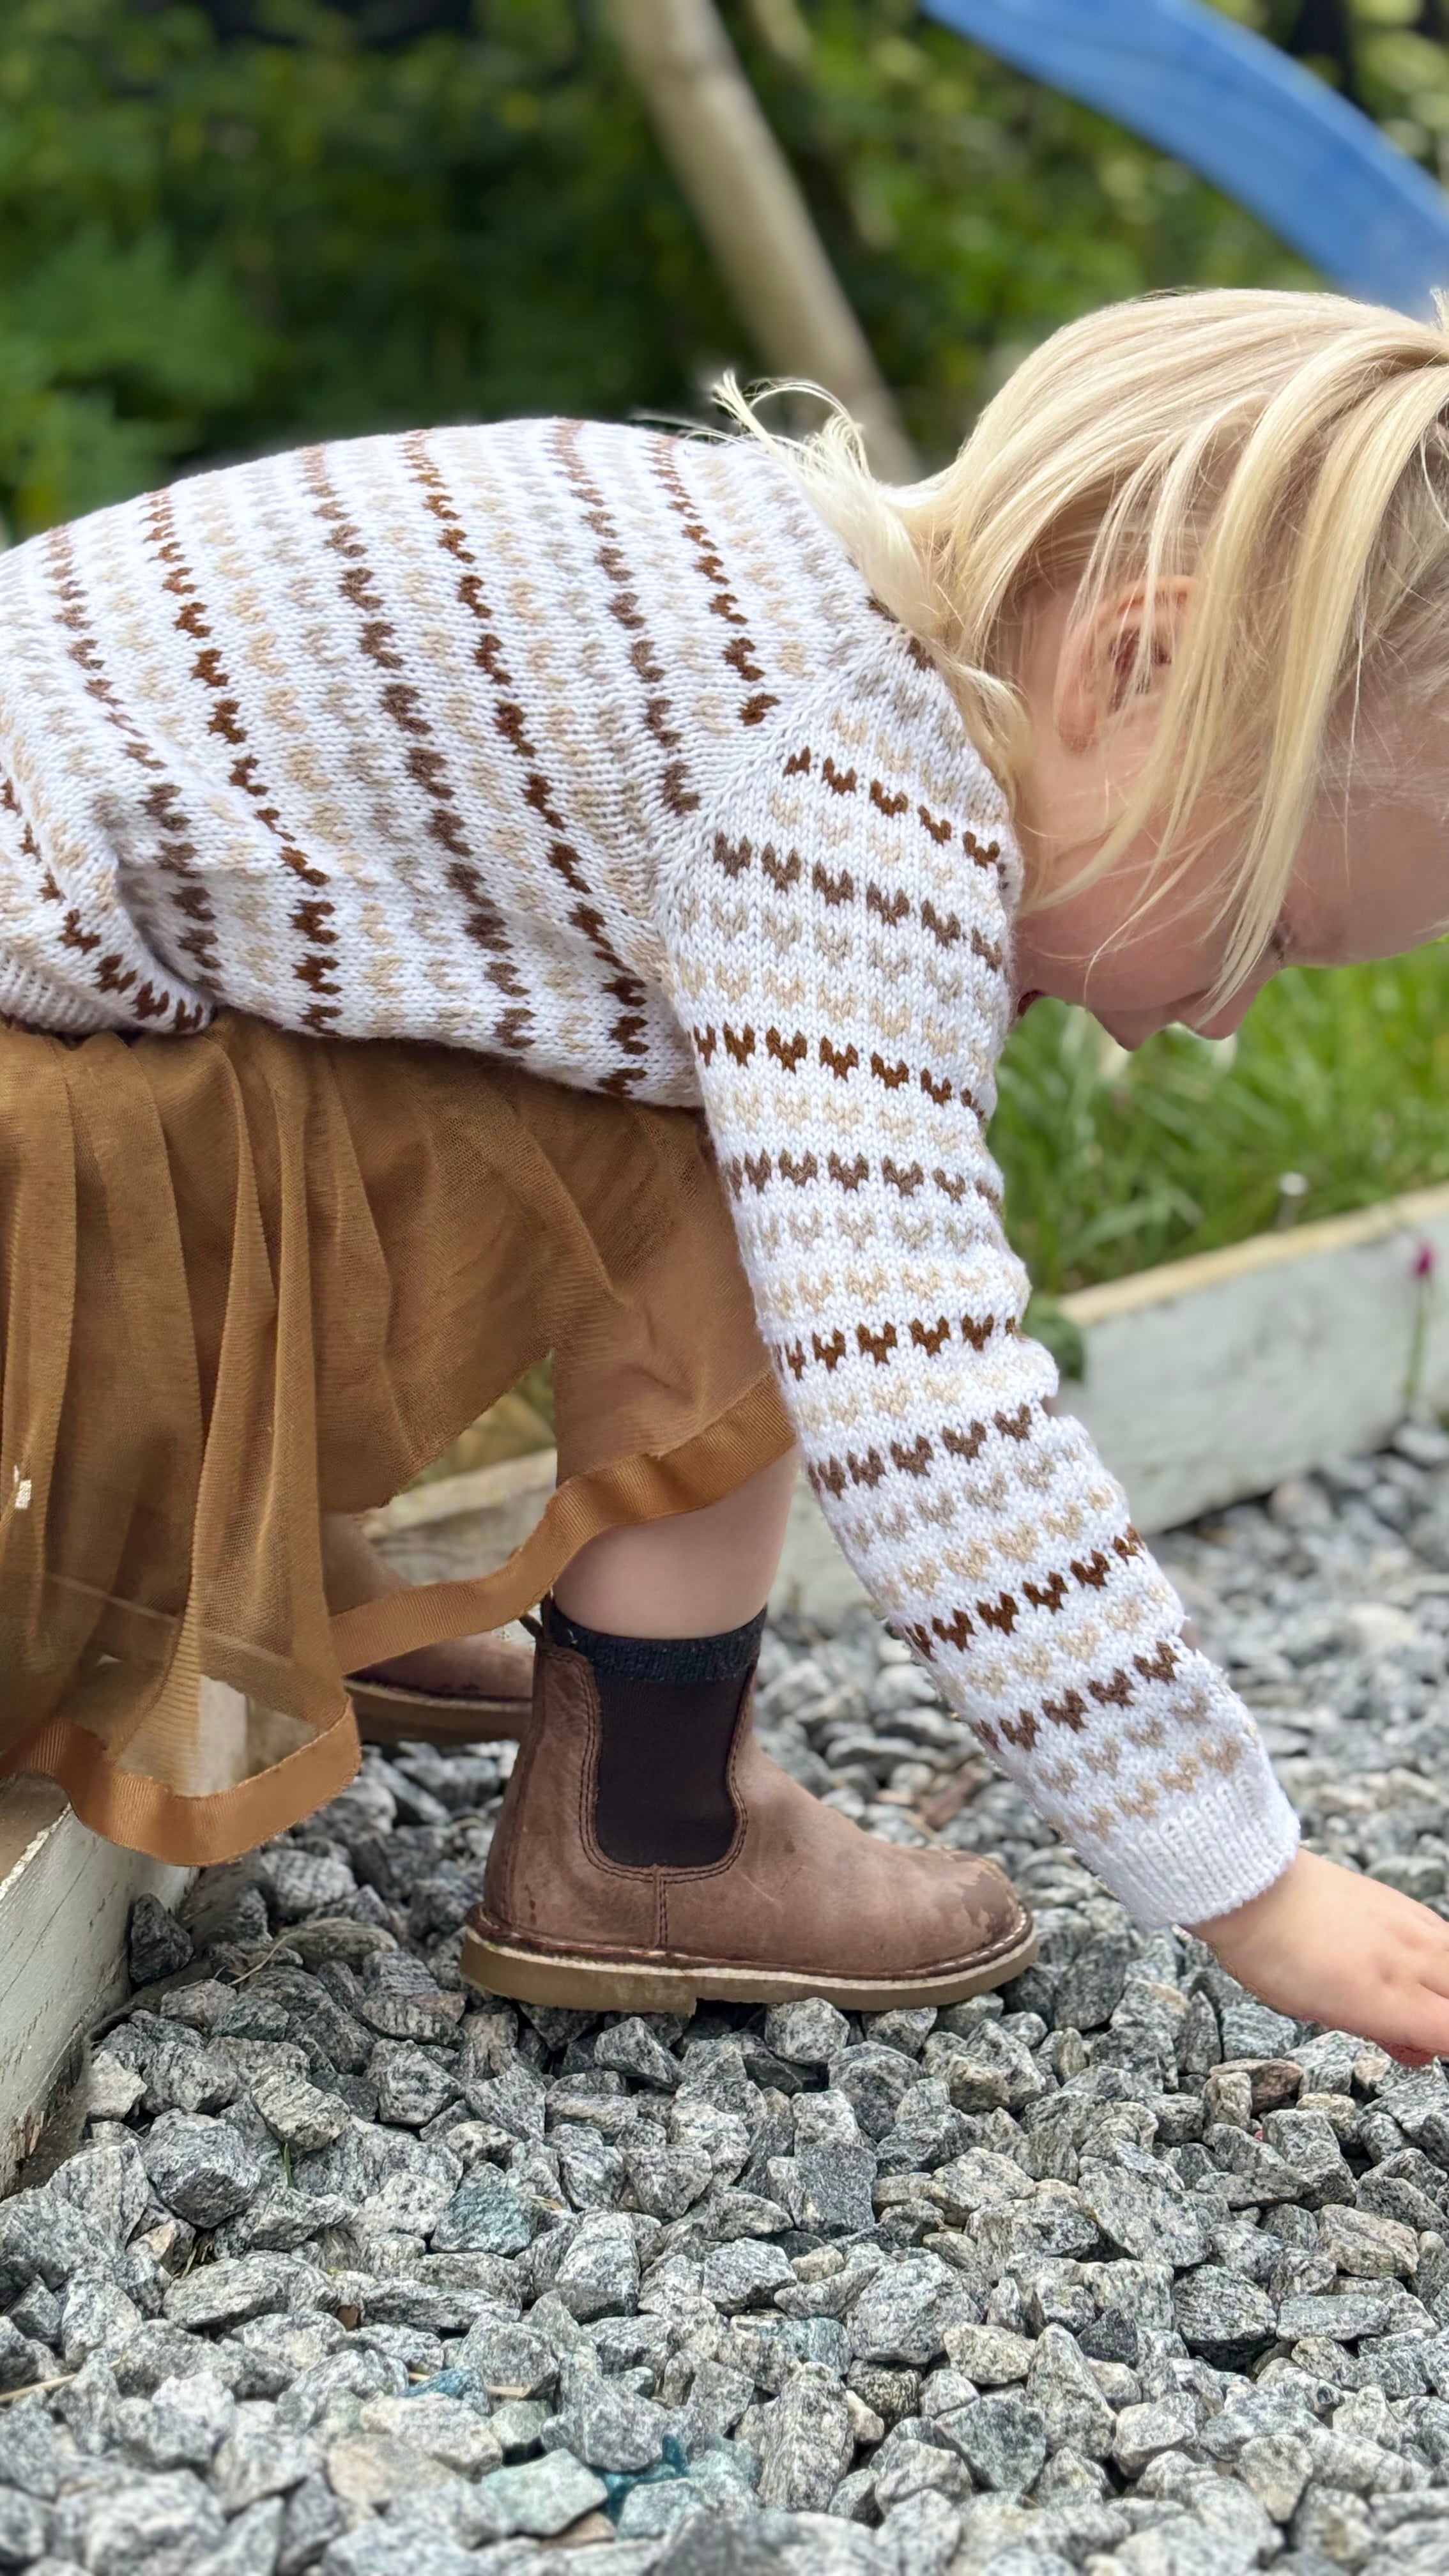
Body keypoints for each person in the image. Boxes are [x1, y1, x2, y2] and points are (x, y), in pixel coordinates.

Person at [6, 286, 1449, 2052]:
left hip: (73, 1077)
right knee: (765, 1188)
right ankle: (654, 1831)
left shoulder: (776, 591)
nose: (1223, 1019)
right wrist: (1251, 1879)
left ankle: (316, 1602)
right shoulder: (851, 800)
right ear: (1132, 667)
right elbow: (922, 1395)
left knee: (637, 1074)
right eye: (1272, 935)